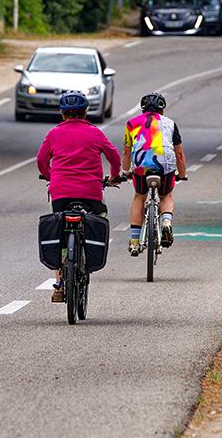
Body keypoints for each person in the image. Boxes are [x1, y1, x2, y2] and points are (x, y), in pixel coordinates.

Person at [36, 90, 123, 302]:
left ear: (62, 113)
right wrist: (112, 178)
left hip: (60, 192)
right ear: (86, 112)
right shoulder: (95, 133)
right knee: (99, 217)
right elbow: (114, 157)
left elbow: (40, 160)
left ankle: (58, 283)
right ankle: (87, 256)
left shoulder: (54, 134)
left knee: (58, 229)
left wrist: (51, 177)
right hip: (91, 192)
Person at [122, 91, 187, 255]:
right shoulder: (170, 124)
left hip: (141, 165)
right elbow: (179, 154)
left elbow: (126, 153)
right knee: (166, 195)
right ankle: (166, 222)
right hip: (165, 164)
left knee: (139, 196)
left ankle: (135, 241)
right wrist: (181, 174)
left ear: (142, 109)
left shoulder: (131, 124)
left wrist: (125, 172)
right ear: (162, 110)